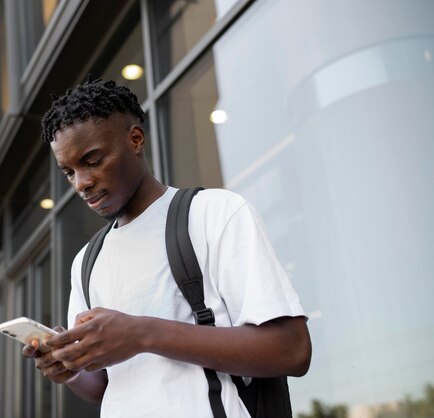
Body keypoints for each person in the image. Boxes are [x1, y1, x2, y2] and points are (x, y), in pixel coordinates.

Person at [23, 78, 312, 417]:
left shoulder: (214, 214)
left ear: (135, 139)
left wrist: (143, 333)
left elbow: (291, 350)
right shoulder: (87, 261)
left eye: (93, 160)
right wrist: (70, 368)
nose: (82, 183)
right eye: (69, 172)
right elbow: (102, 385)